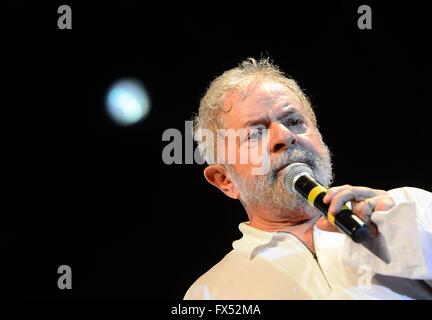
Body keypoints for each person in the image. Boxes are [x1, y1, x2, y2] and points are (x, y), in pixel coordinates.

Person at [184, 58, 432, 300]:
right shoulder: (210, 293)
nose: (285, 136)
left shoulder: (411, 207)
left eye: (294, 121)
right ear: (225, 180)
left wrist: (412, 237)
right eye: (256, 133)